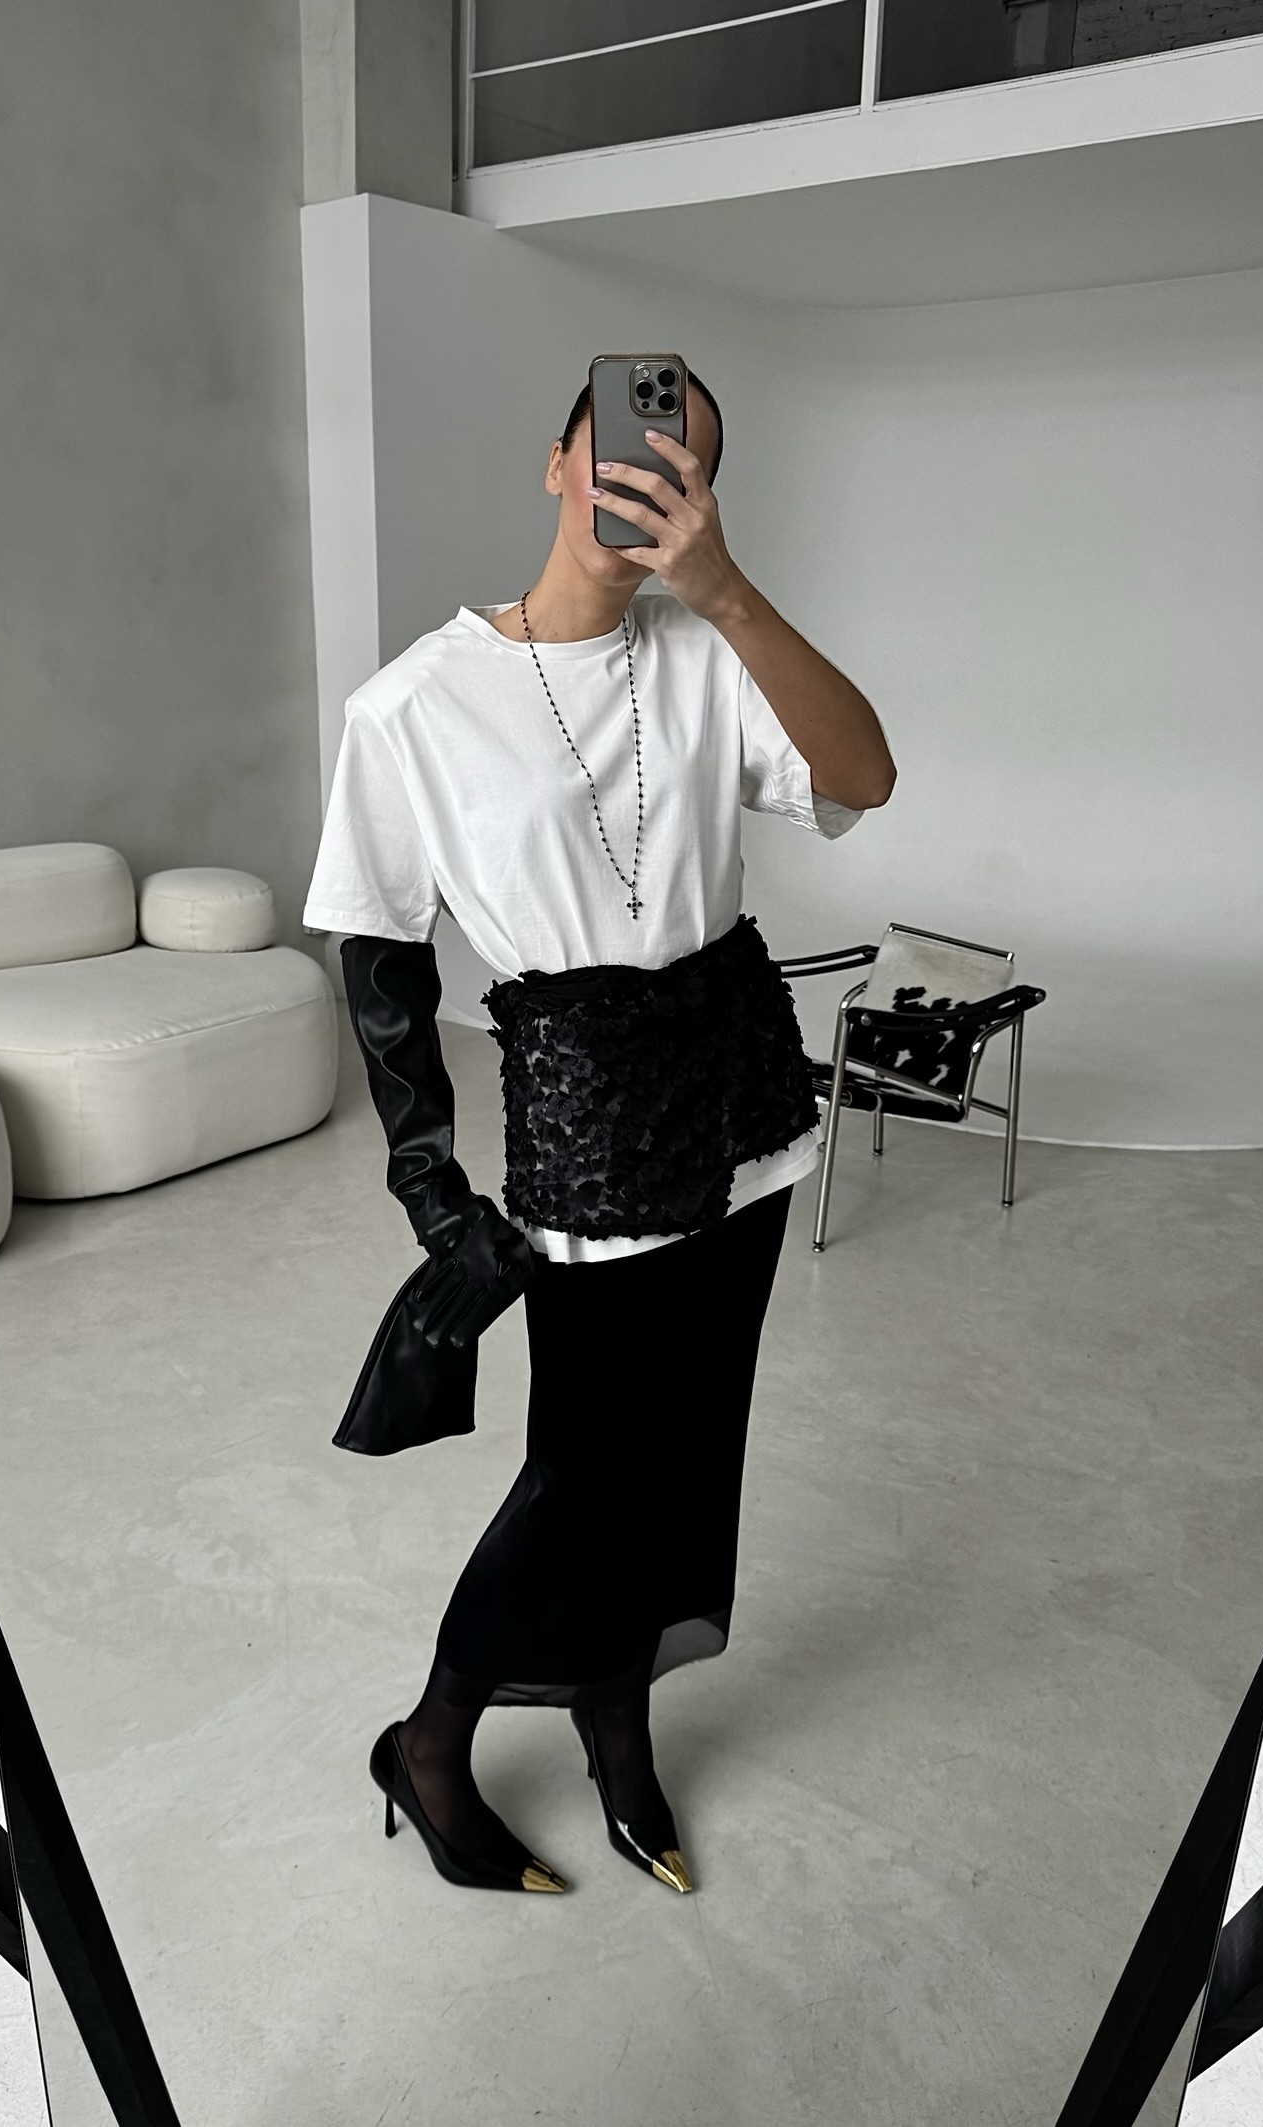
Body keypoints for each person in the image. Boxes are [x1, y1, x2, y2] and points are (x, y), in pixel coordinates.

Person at [303, 365, 895, 1897]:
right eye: (624, 451)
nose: (645, 482)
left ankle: (615, 1723)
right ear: (557, 462)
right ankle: (430, 1740)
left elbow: (864, 775)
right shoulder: (411, 707)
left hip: (745, 1109)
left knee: (684, 1455)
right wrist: (433, 1192)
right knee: (576, 1472)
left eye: (682, 467)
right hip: (588, 1128)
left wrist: (727, 592)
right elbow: (379, 958)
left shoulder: (706, 653)